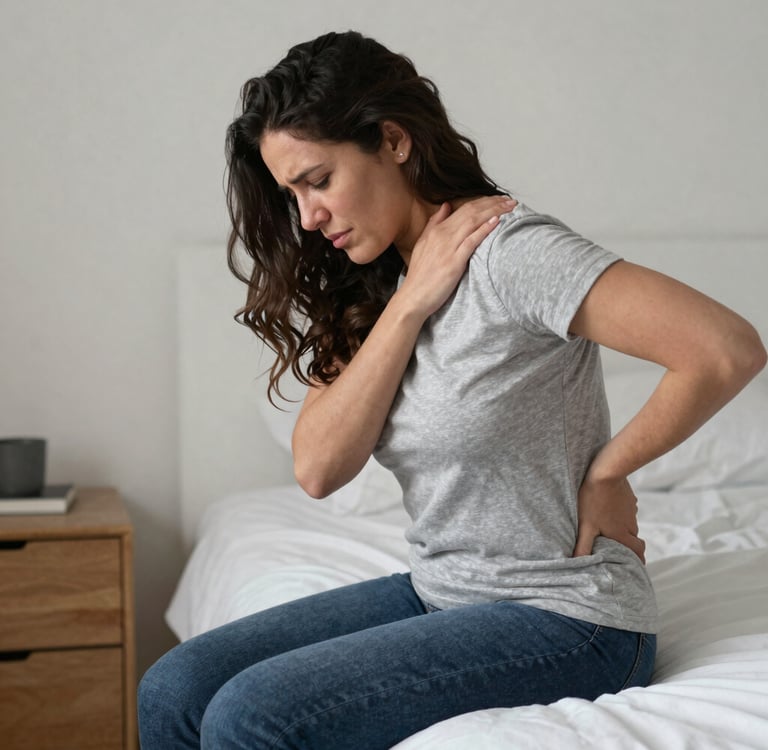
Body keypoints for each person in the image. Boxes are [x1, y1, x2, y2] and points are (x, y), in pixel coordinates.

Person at [138, 30, 766, 750]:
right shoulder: (375, 284)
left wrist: (611, 468)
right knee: (174, 689)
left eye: (317, 180)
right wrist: (408, 306)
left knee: (254, 716)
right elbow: (317, 468)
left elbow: (725, 349)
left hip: (569, 617)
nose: (307, 216)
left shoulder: (511, 253)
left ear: (393, 141)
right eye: (292, 194)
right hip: (442, 589)